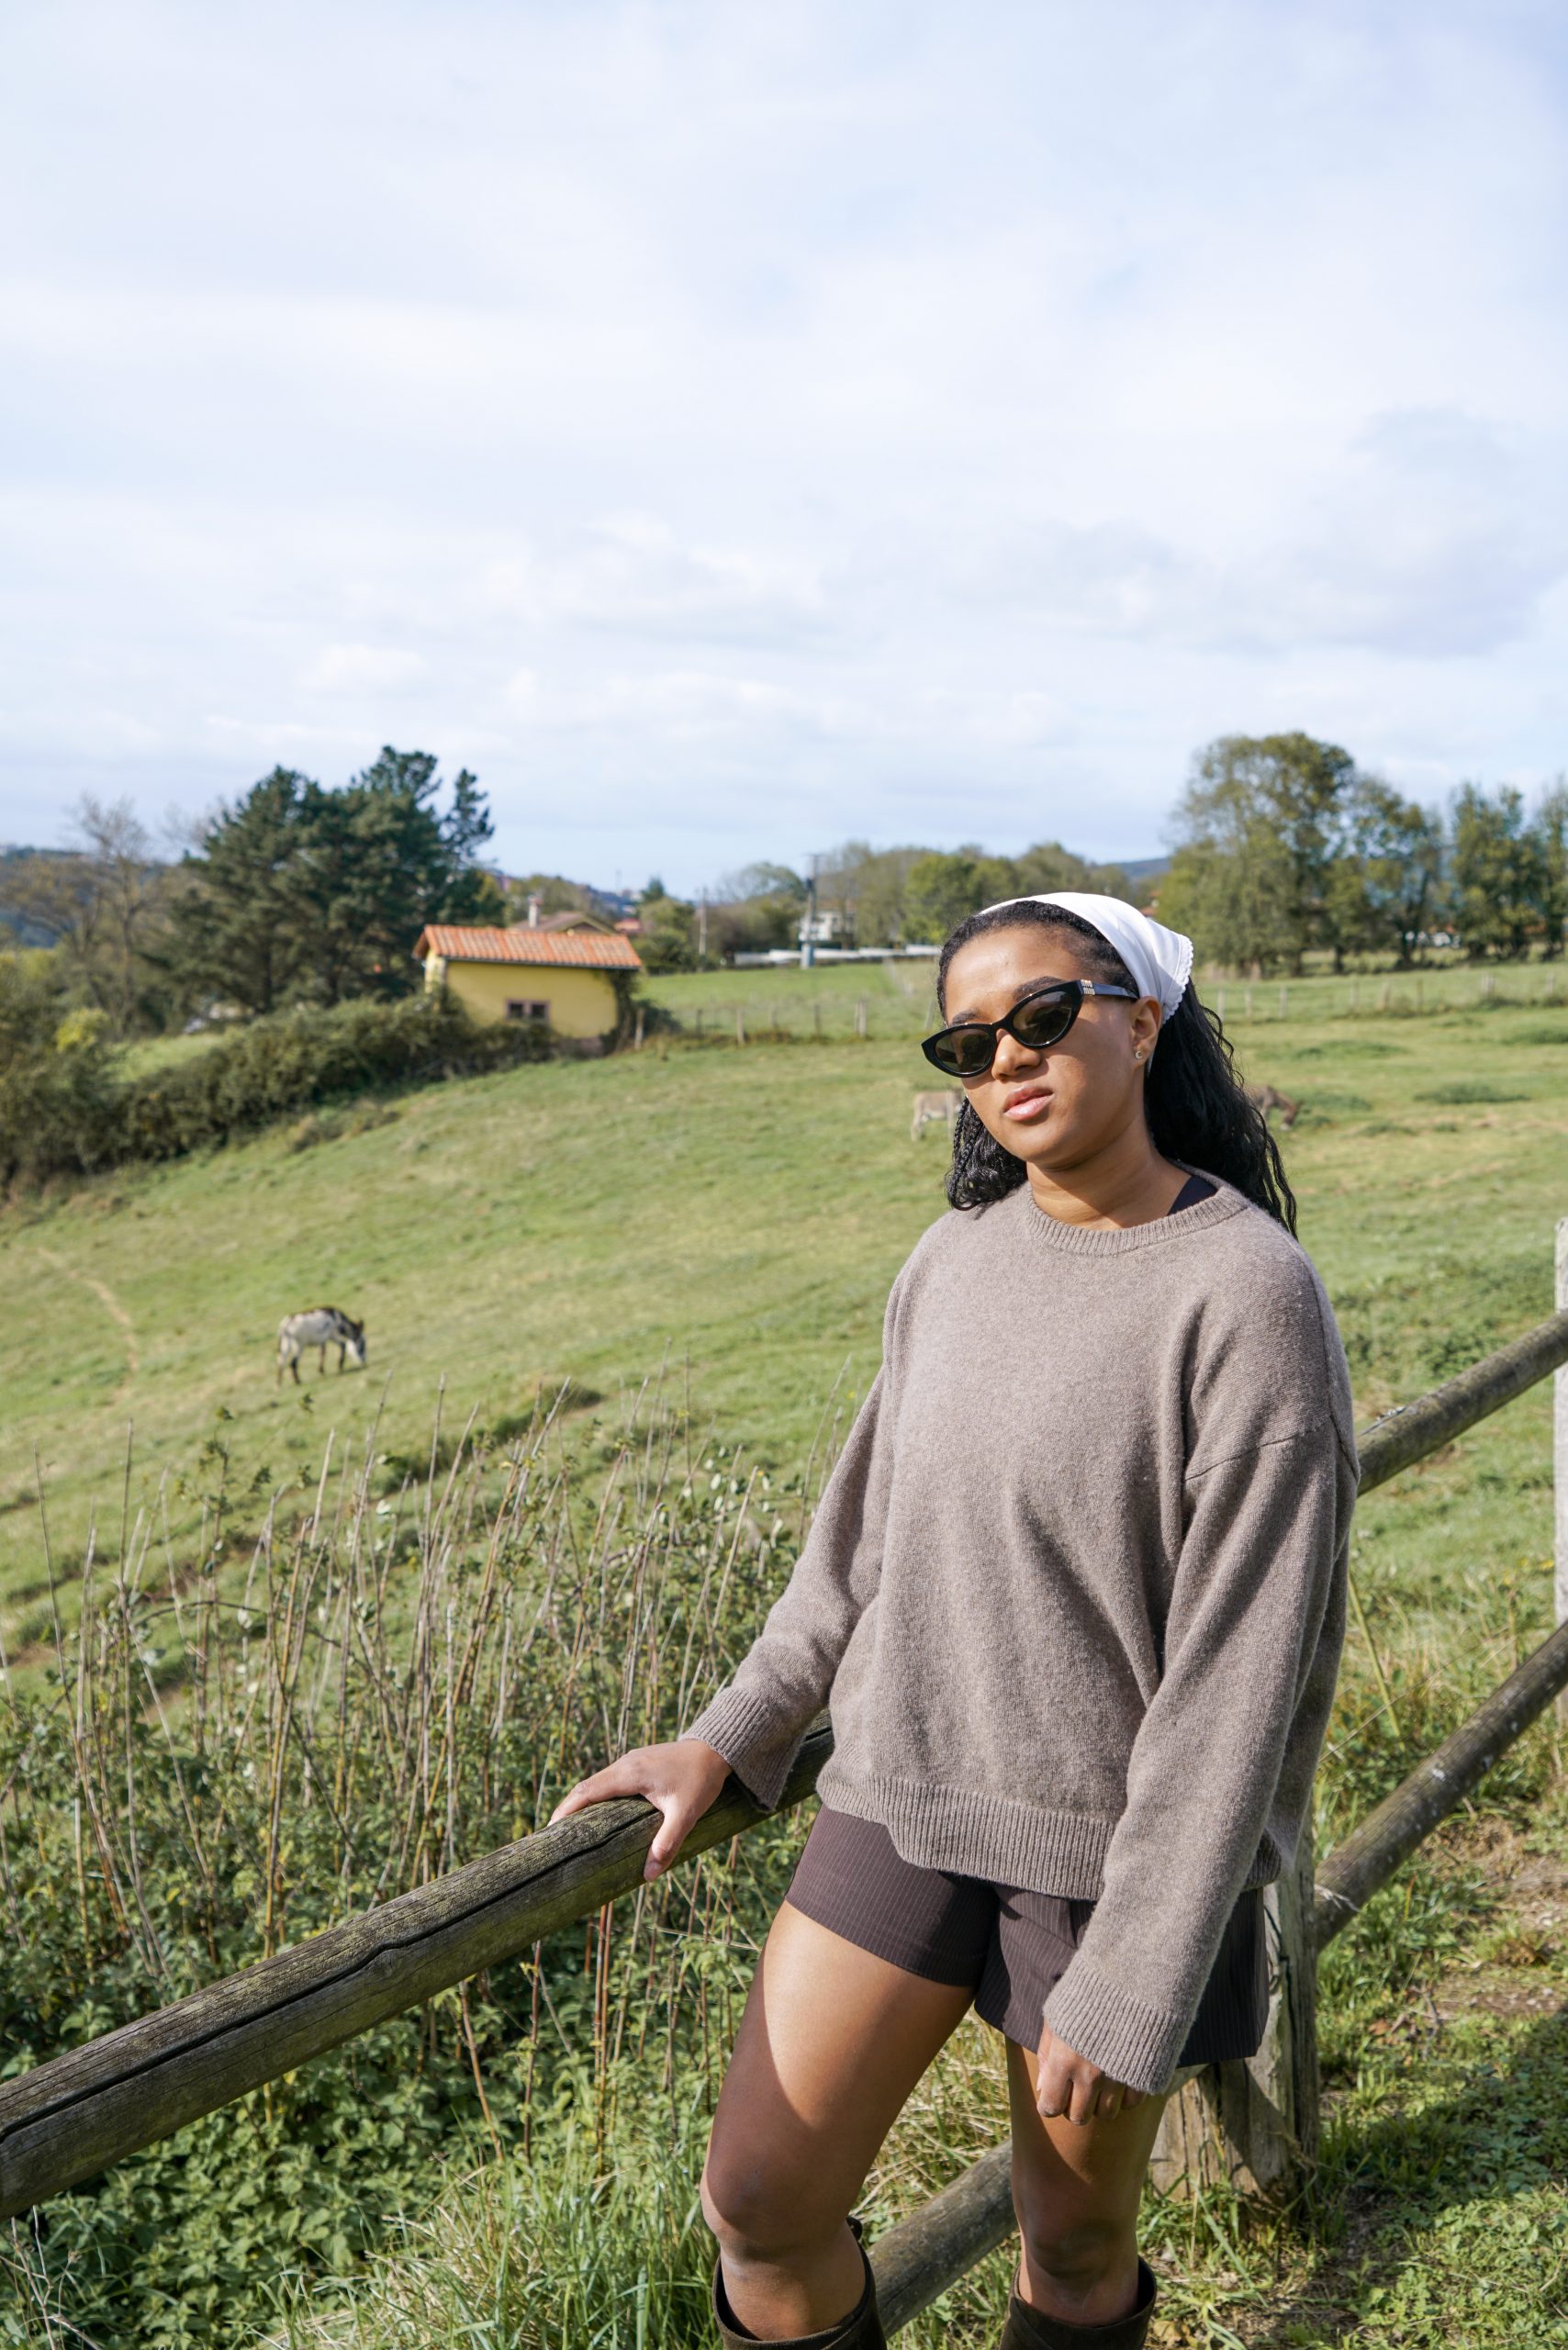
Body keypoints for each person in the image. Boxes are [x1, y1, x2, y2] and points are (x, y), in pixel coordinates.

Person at [550, 891, 1358, 2350]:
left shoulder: (1248, 1297)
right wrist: (733, 1735)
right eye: (970, 1042)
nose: (1009, 1060)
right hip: (901, 1797)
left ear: (1141, 1019)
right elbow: (858, 1549)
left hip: (1112, 1865)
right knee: (760, 2199)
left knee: (1075, 2241)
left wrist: (1139, 1969)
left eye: (1044, 1016)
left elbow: (1242, 1685)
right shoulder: (951, 1260)